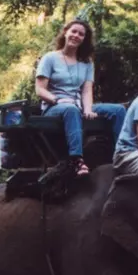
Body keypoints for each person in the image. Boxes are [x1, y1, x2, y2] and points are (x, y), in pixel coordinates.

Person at [35, 19, 127, 176]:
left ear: (84, 39)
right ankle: (76, 160)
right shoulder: (50, 58)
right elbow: (40, 90)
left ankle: (122, 153)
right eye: (74, 31)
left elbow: (86, 90)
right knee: (70, 109)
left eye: (81, 34)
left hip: (78, 104)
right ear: (66, 32)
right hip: (55, 107)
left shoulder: (87, 62)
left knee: (118, 110)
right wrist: (57, 100)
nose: (76, 36)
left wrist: (88, 109)